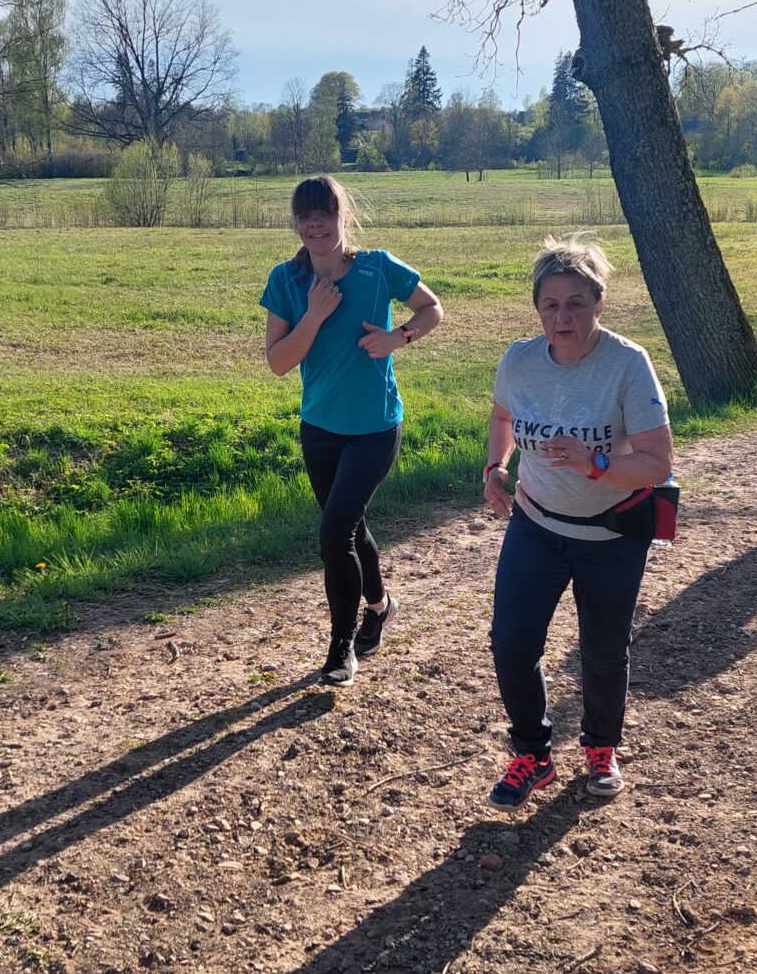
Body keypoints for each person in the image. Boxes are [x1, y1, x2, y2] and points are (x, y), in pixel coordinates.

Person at [479, 233, 674, 812]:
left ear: (599, 303)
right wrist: (495, 466)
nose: (562, 317)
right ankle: (532, 754)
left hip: (610, 535)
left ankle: (601, 748)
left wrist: (596, 464)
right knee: (511, 643)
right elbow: (502, 415)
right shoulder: (519, 361)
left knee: (604, 651)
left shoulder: (627, 365)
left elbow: (657, 464)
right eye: (551, 305)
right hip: (535, 524)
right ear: (537, 308)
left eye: (575, 304)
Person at [262, 175, 443, 686]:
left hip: (374, 428)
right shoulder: (286, 280)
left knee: (334, 533)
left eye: (325, 213)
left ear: (343, 215)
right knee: (349, 527)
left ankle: (341, 647)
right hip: (319, 428)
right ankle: (381, 606)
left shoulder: (377, 267)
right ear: (296, 223)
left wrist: (399, 337)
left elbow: (432, 308)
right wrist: (315, 316)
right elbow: (278, 362)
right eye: (305, 215)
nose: (315, 224)